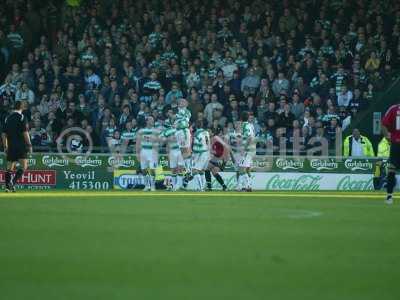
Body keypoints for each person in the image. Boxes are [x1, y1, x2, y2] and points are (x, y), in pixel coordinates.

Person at [2, 101, 32, 192]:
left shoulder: (8, 118)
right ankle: (13, 183)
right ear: (21, 107)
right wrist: (29, 144)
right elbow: (25, 133)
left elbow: (3, 134)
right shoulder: (22, 117)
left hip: (11, 145)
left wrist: (5, 146)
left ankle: (7, 187)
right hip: (21, 145)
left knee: (9, 167)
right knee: (24, 166)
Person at [381, 104, 400, 204]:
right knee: (391, 169)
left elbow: (383, 124)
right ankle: (389, 196)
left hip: (396, 143)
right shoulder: (393, 108)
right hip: (396, 143)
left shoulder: (394, 108)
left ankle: (389, 197)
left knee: (392, 169)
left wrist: (387, 137)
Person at [136, 116, 160, 192]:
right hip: (144, 151)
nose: (152, 121)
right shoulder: (141, 131)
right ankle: (147, 186)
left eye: (153, 120)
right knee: (143, 169)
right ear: (147, 121)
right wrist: (137, 153)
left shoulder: (156, 131)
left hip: (152, 151)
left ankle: (153, 186)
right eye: (151, 120)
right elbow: (138, 142)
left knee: (152, 169)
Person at [160, 119, 184, 191]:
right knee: (173, 169)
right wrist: (167, 139)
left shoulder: (181, 130)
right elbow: (161, 139)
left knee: (180, 168)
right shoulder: (167, 131)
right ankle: (173, 185)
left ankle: (179, 185)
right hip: (172, 151)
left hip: (180, 150)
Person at [238, 111, 255, 192]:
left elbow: (249, 137)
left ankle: (247, 186)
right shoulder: (250, 125)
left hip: (247, 149)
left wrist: (244, 148)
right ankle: (249, 185)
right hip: (252, 148)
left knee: (242, 168)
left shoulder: (245, 125)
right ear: (248, 118)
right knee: (247, 169)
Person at [174, 99, 192, 176]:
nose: (181, 102)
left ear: (186, 104)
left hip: (183, 132)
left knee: (185, 151)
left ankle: (188, 170)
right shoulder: (176, 111)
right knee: (181, 152)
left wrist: (178, 123)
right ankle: (187, 169)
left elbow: (185, 122)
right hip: (178, 133)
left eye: (183, 101)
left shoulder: (187, 112)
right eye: (180, 101)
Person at [191, 120, 210, 191]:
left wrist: (193, 153)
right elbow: (208, 143)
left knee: (195, 170)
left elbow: (197, 146)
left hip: (200, 153)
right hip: (207, 152)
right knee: (201, 171)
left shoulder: (196, 134)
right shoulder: (206, 132)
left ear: (196, 126)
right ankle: (204, 186)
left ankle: (200, 188)